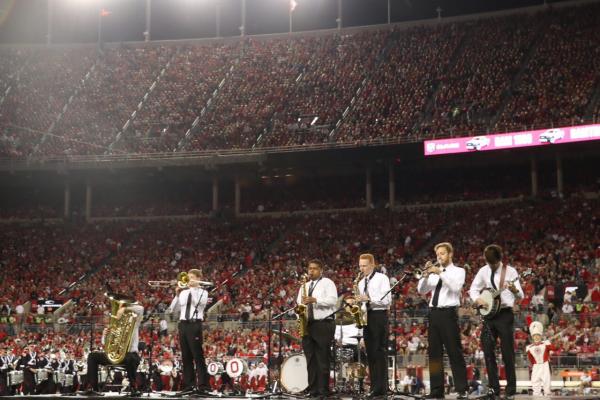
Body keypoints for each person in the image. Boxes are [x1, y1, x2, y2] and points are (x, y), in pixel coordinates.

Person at [470, 244, 523, 400]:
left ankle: (511, 389)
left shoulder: (511, 271)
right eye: (489, 263)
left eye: (493, 263)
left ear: (500, 259)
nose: (491, 266)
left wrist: (513, 289)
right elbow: (473, 289)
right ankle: (493, 389)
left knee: (508, 353)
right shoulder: (483, 271)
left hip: (505, 314)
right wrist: (478, 299)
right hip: (488, 315)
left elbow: (520, 295)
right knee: (487, 351)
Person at [417, 242, 468, 400]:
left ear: (450, 254)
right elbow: (421, 290)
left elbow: (455, 287)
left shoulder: (459, 271)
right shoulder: (433, 274)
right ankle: (436, 390)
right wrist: (425, 276)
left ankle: (462, 389)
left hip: (448, 314)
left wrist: (440, 272)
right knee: (434, 354)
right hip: (434, 314)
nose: (439, 256)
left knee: (454, 352)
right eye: (437, 254)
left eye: (442, 253)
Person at [83, 297, 144, 395]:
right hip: (115, 356)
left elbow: (141, 309)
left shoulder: (134, 322)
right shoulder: (114, 326)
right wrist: (105, 335)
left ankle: (133, 387)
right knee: (92, 356)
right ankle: (93, 388)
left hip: (130, 355)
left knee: (131, 357)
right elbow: (105, 344)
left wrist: (125, 308)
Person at [296, 259, 337, 398]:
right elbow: (298, 306)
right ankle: (313, 391)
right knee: (311, 360)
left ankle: (323, 391)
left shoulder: (328, 283)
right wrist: (299, 316)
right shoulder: (304, 286)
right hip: (308, 324)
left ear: (321, 270)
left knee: (322, 359)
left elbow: (333, 301)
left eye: (314, 268)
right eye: (309, 268)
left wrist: (315, 300)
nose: (311, 271)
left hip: (323, 323)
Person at [167, 269, 211, 394]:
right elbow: (173, 310)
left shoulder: (203, 292)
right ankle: (189, 385)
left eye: (192, 277)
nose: (189, 280)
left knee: (198, 356)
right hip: (183, 325)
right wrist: (176, 295)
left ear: (198, 278)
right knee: (186, 356)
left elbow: (197, 303)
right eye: (188, 277)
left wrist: (193, 288)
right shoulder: (183, 293)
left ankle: (203, 385)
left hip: (195, 324)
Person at [353, 253, 391, 398]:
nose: (361, 269)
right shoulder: (361, 282)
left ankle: (382, 389)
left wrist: (369, 299)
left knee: (380, 353)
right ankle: (375, 388)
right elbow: (362, 302)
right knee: (371, 354)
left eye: (364, 266)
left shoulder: (383, 278)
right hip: (367, 318)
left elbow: (387, 300)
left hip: (379, 316)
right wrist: (356, 303)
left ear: (372, 265)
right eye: (360, 266)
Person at [526, 321, 554, 397]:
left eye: (538, 335)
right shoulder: (529, 348)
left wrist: (550, 346)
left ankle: (547, 397)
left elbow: (553, 349)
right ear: (532, 337)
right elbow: (530, 359)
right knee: (535, 383)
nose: (536, 337)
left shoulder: (546, 344)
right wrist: (535, 365)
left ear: (541, 336)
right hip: (536, 366)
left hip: (545, 365)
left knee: (546, 384)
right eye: (535, 336)